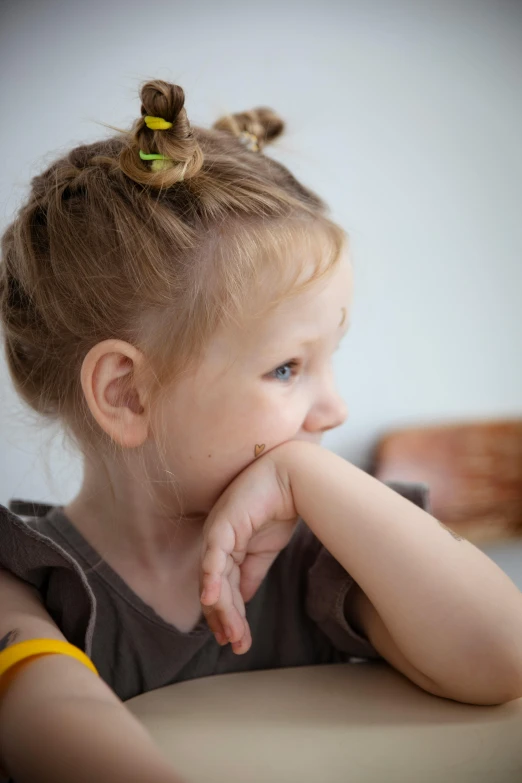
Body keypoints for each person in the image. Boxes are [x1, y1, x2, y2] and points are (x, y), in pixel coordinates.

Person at [0, 79, 521, 783]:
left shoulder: (325, 550)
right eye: (286, 368)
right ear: (127, 393)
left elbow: (501, 657)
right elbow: (59, 720)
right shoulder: (25, 582)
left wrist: (308, 473)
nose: (334, 408)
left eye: (327, 360)